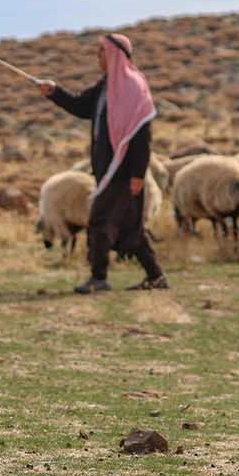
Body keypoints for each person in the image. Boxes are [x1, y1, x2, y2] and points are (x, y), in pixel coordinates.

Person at [37, 33, 168, 293]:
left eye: (101, 51)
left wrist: (138, 174)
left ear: (114, 54)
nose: (98, 56)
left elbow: (142, 135)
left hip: (122, 172)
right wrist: (54, 92)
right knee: (131, 226)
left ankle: (99, 278)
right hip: (108, 169)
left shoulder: (132, 88)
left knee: (97, 220)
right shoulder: (106, 87)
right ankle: (156, 277)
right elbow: (81, 107)